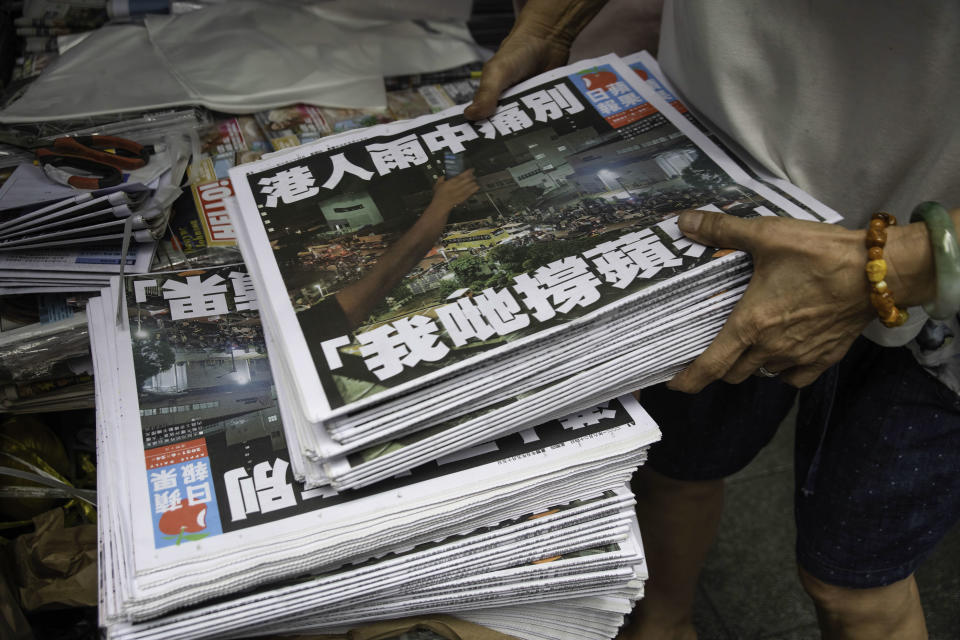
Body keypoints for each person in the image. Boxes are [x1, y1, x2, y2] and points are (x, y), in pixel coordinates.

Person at [466, 1, 960, 639]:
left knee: (856, 581)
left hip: (939, 255)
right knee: (678, 465)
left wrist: (906, 263)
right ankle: (664, 621)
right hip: (723, 202)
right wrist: (553, 24)